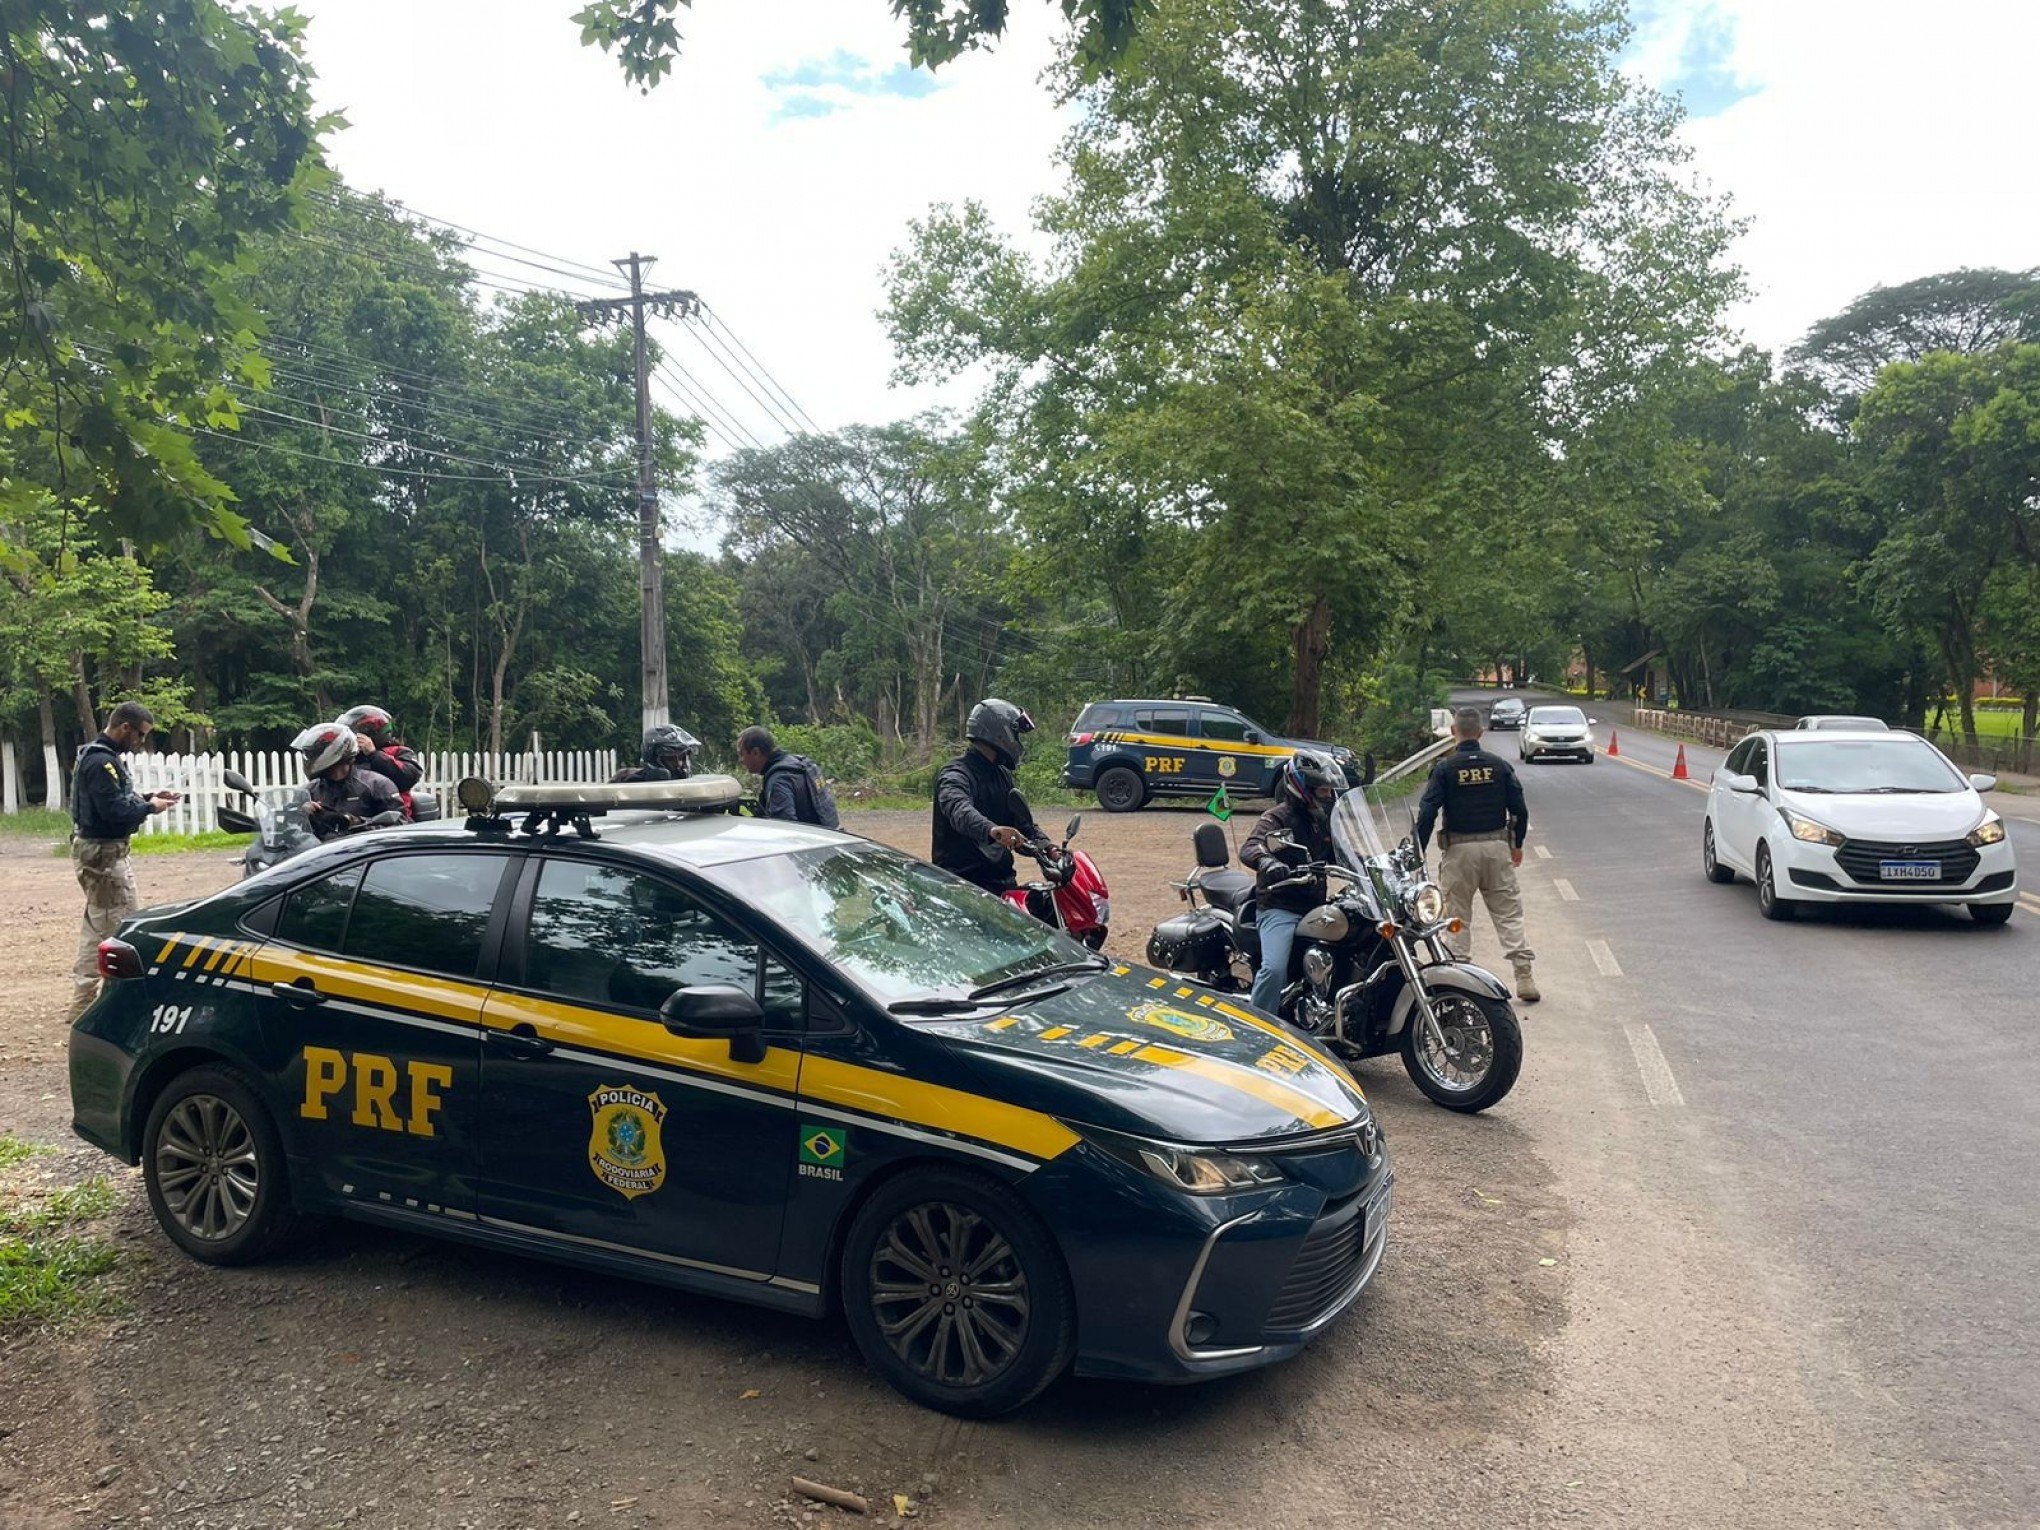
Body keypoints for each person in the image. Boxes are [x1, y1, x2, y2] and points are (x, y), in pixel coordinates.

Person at [1416, 705, 1537, 1002]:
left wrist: (1417, 850)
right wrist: (1517, 844)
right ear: (1481, 733)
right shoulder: (1499, 765)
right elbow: (1519, 809)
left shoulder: (1445, 769)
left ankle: (1459, 982)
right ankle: (1524, 977)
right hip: (1496, 848)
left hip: (1459, 852)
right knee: (1508, 913)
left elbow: (1428, 812)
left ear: (1454, 732)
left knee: (1456, 918)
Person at [68, 702, 180, 1020]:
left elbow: (116, 799)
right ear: (125, 727)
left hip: (104, 853)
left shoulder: (100, 758)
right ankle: (103, 1006)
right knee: (118, 929)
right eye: (140, 735)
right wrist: (151, 808)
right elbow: (114, 812)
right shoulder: (100, 762)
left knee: (100, 924)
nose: (140, 742)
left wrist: (148, 798)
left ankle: (86, 1000)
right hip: (104, 856)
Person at [1239, 749, 1343, 1017]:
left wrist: (1377, 861)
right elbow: (1252, 847)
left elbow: (1342, 854)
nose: (1328, 796)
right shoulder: (1276, 817)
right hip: (1281, 907)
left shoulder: (1324, 821)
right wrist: (1267, 862)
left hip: (1314, 907)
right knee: (1274, 968)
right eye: (1321, 790)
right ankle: (1258, 1027)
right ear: (1302, 788)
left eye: (1330, 790)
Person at [933, 699, 1040, 895]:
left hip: (1002, 885)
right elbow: (959, 810)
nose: (1017, 740)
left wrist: (1049, 847)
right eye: (1015, 734)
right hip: (962, 889)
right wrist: (992, 830)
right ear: (1000, 732)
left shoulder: (1001, 775)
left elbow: (1023, 825)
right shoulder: (955, 774)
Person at [292, 721, 403, 840]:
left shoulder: (376, 785)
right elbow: (288, 834)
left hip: (362, 855)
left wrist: (351, 822)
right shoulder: (309, 791)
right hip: (319, 856)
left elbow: (402, 827)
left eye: (315, 751)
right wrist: (301, 816)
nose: (310, 757)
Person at [736, 726, 840, 828]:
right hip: (832, 835)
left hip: (810, 841)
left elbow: (785, 829)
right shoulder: (805, 764)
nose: (741, 760)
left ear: (755, 752)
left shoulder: (779, 781)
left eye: (742, 754)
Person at [338, 704, 422, 816]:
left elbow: (408, 777)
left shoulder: (399, 752)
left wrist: (374, 755)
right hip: (354, 816)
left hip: (393, 817)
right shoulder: (351, 757)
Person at [610, 724, 699, 783]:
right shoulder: (625, 780)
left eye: (682, 758)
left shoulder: (690, 788)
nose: (679, 764)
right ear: (653, 760)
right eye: (670, 759)